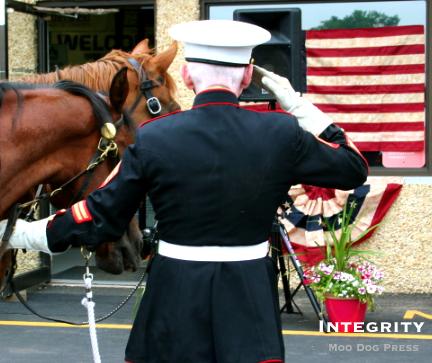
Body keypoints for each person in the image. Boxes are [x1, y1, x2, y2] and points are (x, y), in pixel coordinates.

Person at [0, 20, 368, 363]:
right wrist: (295, 103)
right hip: (249, 303)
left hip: (172, 305)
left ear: (189, 76)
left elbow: (97, 217)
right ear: (246, 77)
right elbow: (353, 168)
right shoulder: (282, 132)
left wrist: (15, 234)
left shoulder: (155, 137)